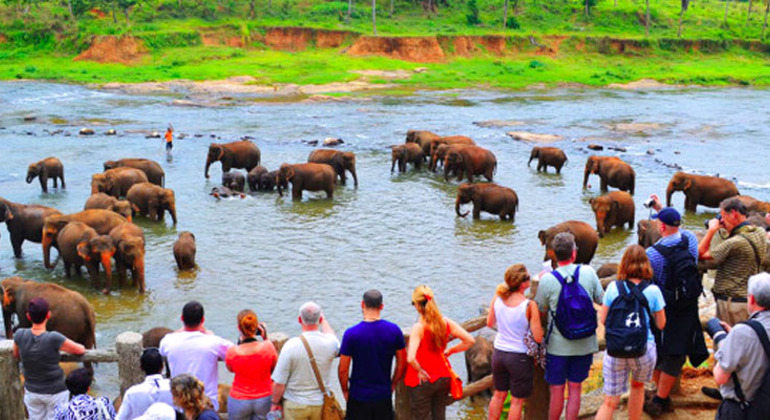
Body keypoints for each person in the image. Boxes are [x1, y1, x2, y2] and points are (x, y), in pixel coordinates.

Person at [642, 200, 708, 416]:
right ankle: (663, 395)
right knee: (677, 352)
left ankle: (660, 398)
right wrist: (665, 211)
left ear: (661, 227)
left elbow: (652, 283)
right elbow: (686, 235)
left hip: (664, 308)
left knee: (661, 352)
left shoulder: (652, 253)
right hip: (688, 307)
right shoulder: (688, 240)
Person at [534, 232, 603, 420]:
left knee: (557, 390)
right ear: (574, 253)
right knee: (575, 388)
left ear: (554, 255)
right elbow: (601, 299)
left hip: (558, 346)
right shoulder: (588, 272)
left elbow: (540, 308)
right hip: (585, 343)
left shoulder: (548, 280)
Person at [596, 245, 666, 420]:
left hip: (616, 350)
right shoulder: (653, 291)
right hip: (643, 348)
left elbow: (603, 319)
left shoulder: (613, 287)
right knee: (637, 387)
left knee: (610, 401)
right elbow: (661, 324)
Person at [405, 285, 475, 420]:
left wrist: (419, 370)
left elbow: (411, 358)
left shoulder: (418, 328)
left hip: (423, 380)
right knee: (439, 416)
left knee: (422, 416)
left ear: (417, 305)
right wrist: (451, 350)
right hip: (443, 376)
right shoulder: (445, 322)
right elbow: (469, 340)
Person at [12, 297, 87, 420]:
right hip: (56, 391)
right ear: (48, 315)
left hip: (32, 391)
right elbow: (80, 350)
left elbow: (16, 355)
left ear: (28, 316)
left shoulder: (20, 334)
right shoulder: (53, 338)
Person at [338, 290, 407, 420]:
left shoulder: (351, 334)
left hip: (358, 395)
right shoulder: (394, 331)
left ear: (362, 304)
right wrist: (393, 383)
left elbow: (343, 369)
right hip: (383, 395)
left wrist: (345, 390)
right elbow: (402, 363)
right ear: (381, 306)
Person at [486, 264, 543, 420]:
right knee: (517, 401)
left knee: (498, 395)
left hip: (499, 353)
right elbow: (538, 337)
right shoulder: (529, 305)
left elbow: (489, 322)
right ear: (524, 284)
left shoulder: (497, 297)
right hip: (519, 356)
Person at [699, 197, 767, 326]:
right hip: (748, 299)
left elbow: (700, 253)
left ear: (734, 214)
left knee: (728, 341)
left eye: (723, 216)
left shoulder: (735, 243)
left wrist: (712, 230)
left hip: (731, 303)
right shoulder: (759, 232)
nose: (721, 221)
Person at [713, 272, 770, 419]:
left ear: (751, 299)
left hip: (742, 409)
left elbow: (720, 377)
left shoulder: (743, 333)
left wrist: (725, 342)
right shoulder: (744, 333)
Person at [270, 302, 340, 420]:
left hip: (295, 405)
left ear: (299, 319)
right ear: (320, 318)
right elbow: (332, 336)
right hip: (320, 403)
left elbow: (279, 383)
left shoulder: (291, 345)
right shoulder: (330, 343)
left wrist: (274, 403)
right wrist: (323, 321)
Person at [160, 301, 233, 411]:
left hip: (180, 404)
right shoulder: (214, 342)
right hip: (207, 403)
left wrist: (179, 332)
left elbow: (162, 350)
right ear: (202, 320)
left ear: (182, 318)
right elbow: (233, 351)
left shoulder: (169, 340)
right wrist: (209, 333)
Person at [225, 309, 278, 420]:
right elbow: (275, 368)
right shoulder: (268, 347)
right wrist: (265, 337)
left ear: (239, 328)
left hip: (239, 399)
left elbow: (231, 369)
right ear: (257, 328)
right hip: (264, 397)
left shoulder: (232, 352)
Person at [116, 348, 175, 420]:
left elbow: (121, 418)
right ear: (162, 366)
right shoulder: (175, 388)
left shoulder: (132, 393)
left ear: (141, 368)